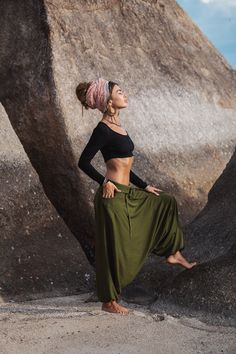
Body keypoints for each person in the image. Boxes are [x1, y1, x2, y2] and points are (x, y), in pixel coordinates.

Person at [76, 78, 197, 315]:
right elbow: (83, 162)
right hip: (112, 197)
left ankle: (173, 253)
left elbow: (126, 166)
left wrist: (145, 185)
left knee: (165, 201)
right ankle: (109, 301)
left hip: (127, 192)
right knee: (114, 248)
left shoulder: (120, 128)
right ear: (110, 101)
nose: (125, 94)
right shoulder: (102, 129)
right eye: (120, 92)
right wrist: (104, 182)